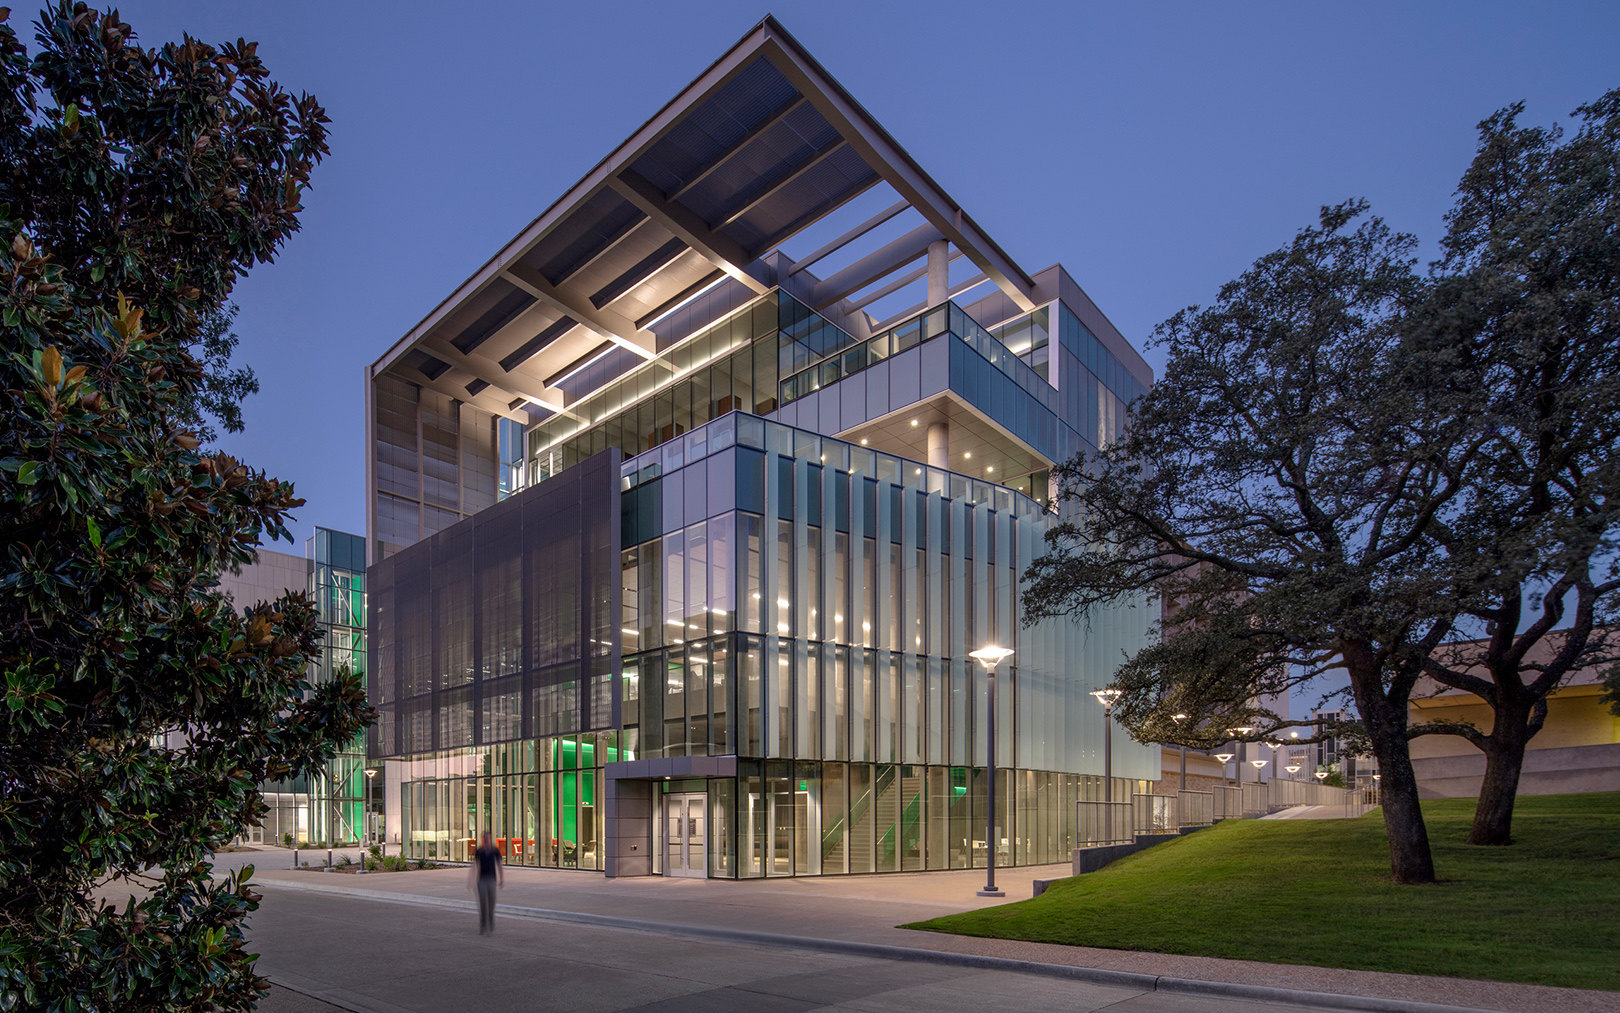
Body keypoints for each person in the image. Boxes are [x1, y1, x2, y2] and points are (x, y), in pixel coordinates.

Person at [470, 831, 504, 935]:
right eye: (485, 838)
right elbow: (475, 866)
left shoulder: (495, 851)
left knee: (491, 902)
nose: (487, 840)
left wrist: (501, 878)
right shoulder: (479, 851)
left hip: (492, 880)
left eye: (488, 838)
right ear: (483, 839)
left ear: (490, 838)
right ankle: (483, 924)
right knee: (482, 903)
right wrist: (472, 880)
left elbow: (499, 865)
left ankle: (491, 920)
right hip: (482, 880)